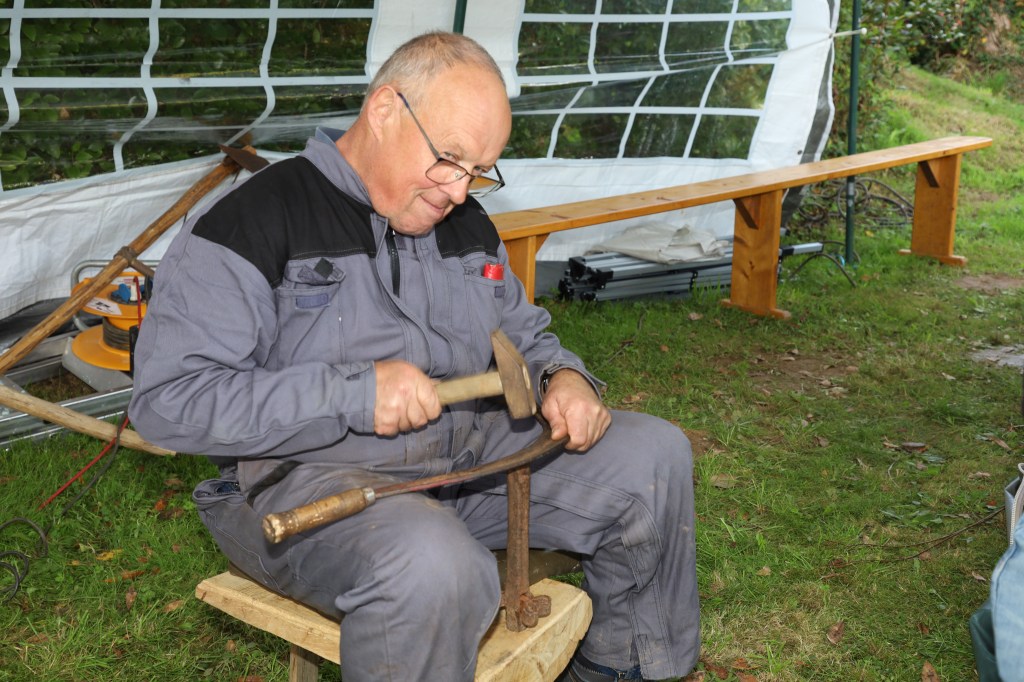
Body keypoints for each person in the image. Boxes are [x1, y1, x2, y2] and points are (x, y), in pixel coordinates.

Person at [128, 31, 699, 681]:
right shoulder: (251, 223)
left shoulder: (464, 223)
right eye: (450, 158)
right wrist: (351, 393)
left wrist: (561, 375)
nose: (459, 189)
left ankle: (618, 670)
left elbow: (524, 334)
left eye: (478, 171)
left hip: (471, 465)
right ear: (384, 110)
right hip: (307, 487)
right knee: (431, 564)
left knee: (651, 458)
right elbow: (169, 402)